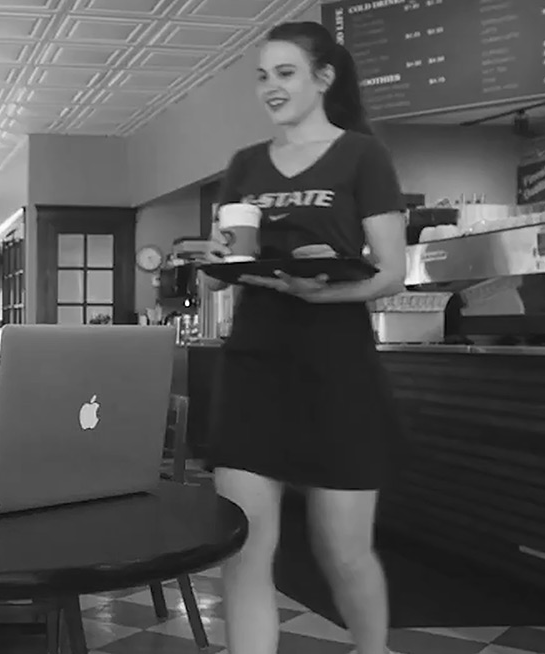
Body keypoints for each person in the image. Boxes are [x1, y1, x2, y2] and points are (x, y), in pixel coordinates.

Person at [199, 22, 408, 654]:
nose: (270, 87)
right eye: (262, 75)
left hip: (336, 365)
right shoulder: (244, 166)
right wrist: (215, 263)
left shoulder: (362, 156)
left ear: (324, 78)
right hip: (253, 365)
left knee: (343, 553)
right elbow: (221, 277)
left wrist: (328, 290)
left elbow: (392, 273)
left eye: (285, 72)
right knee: (245, 550)